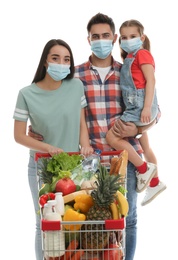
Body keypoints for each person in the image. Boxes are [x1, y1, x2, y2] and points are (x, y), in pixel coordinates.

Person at [28, 13, 161, 260]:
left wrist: (138, 130)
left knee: (127, 220)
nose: (101, 40)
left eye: (106, 36)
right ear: (88, 39)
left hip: (124, 159)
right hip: (88, 163)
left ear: (114, 40)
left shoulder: (129, 72)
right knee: (89, 227)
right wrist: (36, 128)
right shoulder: (74, 75)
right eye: (95, 36)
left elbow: (155, 111)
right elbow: (53, 106)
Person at [13, 39, 94, 260]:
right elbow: (19, 135)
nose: (61, 63)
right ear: (46, 62)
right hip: (42, 167)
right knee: (45, 223)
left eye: (66, 59)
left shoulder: (75, 86)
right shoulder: (26, 94)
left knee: (76, 221)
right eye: (55, 58)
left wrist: (85, 144)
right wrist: (47, 147)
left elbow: (81, 123)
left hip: (74, 166)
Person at [106, 19, 166, 205]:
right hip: (135, 106)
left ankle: (143, 169)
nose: (127, 40)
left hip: (140, 106)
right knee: (145, 147)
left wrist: (147, 108)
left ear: (142, 37)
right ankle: (155, 183)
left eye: (132, 36)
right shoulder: (129, 59)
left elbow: (151, 81)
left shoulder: (143, 54)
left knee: (112, 137)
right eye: (123, 37)